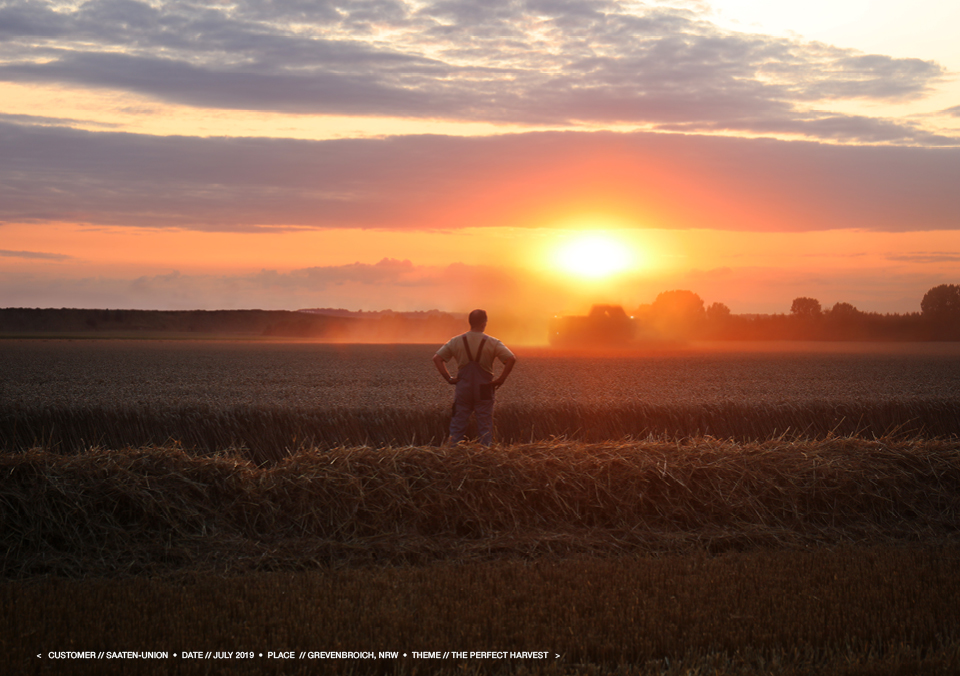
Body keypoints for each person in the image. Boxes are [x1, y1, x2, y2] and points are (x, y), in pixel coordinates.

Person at [433, 309, 516, 446]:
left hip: (463, 387)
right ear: (484, 323)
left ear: (470, 322)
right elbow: (511, 359)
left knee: (458, 423)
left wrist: (448, 378)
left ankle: (453, 454)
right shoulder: (493, 342)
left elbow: (437, 358)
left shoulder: (456, 341)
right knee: (485, 423)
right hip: (484, 388)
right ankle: (486, 453)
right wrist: (501, 379)